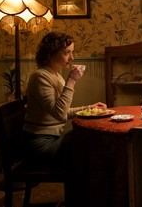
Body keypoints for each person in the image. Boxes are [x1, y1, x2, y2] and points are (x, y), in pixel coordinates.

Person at [22, 31, 106, 169]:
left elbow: (63, 112)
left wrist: (89, 108)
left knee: (87, 138)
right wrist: (71, 80)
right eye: (67, 52)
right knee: (87, 137)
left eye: (72, 52)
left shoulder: (56, 76)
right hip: (39, 145)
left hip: (53, 140)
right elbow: (59, 114)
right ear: (50, 53)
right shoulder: (40, 77)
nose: (71, 57)